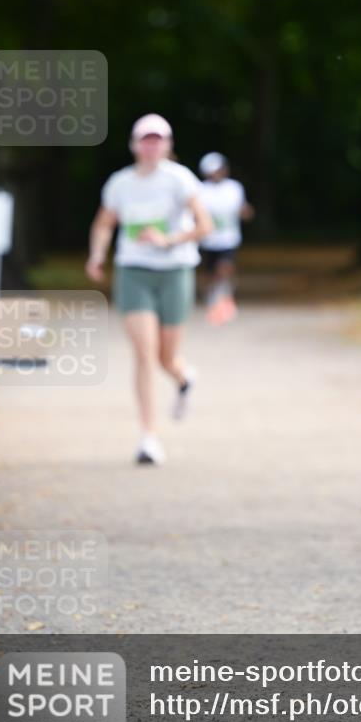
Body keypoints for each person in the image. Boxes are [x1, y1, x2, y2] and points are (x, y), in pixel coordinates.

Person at [86, 114, 212, 465]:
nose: (151, 145)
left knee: (165, 358)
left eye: (158, 139)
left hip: (174, 270)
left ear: (168, 145)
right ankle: (148, 437)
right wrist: (97, 254)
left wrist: (168, 239)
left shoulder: (179, 180)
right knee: (144, 353)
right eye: (145, 139)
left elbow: (205, 226)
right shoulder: (120, 184)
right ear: (134, 144)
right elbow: (104, 223)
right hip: (134, 271)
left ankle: (183, 376)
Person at [197, 152, 254, 325]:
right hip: (208, 240)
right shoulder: (201, 189)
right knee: (209, 272)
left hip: (229, 239)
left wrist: (246, 212)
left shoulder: (234, 188)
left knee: (225, 267)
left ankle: (225, 297)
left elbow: (243, 209)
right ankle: (212, 298)